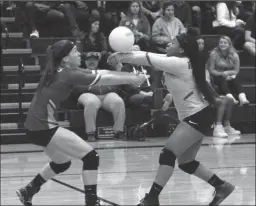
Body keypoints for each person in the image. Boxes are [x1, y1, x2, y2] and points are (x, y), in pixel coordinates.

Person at [107, 31, 235, 206]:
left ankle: (152, 198)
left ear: (181, 49)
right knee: (186, 162)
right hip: (200, 114)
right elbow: (152, 56)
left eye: (172, 42)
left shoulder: (179, 63)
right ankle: (221, 186)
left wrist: (122, 56)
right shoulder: (183, 61)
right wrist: (126, 54)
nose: (168, 44)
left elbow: (148, 58)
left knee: (168, 154)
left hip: (197, 115)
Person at [16, 40, 145, 206]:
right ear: (65, 59)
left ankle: (28, 190)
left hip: (35, 127)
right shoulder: (67, 74)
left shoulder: (63, 70)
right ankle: (91, 202)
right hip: (43, 126)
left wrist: (127, 75)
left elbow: (101, 72)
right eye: (75, 51)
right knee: (91, 156)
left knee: (62, 163)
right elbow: (103, 80)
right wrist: (131, 78)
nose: (79, 54)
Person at [76, 52, 126, 141]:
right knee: (90, 102)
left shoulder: (104, 72)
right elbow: (77, 87)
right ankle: (90, 133)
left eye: (94, 60)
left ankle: (119, 131)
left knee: (118, 101)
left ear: (98, 61)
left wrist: (108, 87)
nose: (92, 62)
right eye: (89, 60)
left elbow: (115, 83)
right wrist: (91, 87)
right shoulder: (81, 72)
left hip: (107, 95)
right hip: (88, 94)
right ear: (85, 61)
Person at [197, 36, 240, 138]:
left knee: (229, 99)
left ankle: (226, 125)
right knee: (222, 101)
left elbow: (208, 82)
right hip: (199, 93)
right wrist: (215, 95)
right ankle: (218, 127)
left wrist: (215, 93)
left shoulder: (205, 66)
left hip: (208, 90)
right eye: (198, 44)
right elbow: (202, 84)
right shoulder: (196, 65)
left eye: (202, 44)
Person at [208, 36, 250, 105]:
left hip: (230, 75)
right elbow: (211, 70)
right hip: (217, 75)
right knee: (222, 80)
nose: (222, 44)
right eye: (221, 42)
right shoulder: (213, 54)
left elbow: (236, 70)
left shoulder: (234, 54)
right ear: (218, 44)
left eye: (225, 43)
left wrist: (227, 73)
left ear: (229, 44)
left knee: (236, 79)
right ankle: (232, 99)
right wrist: (222, 74)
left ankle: (243, 99)